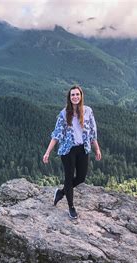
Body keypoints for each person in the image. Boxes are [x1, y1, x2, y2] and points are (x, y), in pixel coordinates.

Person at [43, 85, 102, 219]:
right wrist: (47, 152)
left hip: (83, 148)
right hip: (68, 150)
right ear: (69, 98)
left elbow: (93, 132)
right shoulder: (64, 114)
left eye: (77, 94)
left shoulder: (88, 111)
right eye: (72, 95)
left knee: (81, 177)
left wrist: (97, 148)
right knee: (69, 178)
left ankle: (61, 192)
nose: (75, 97)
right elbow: (56, 134)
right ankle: (71, 207)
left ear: (81, 96)